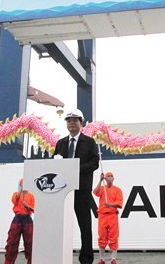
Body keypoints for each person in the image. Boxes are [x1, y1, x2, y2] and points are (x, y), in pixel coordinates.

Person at [53, 108, 99, 264]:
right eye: (69, 120)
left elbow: (94, 163)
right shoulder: (60, 143)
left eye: (75, 120)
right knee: (59, 225)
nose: (71, 123)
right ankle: (58, 256)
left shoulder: (90, 142)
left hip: (82, 190)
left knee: (85, 227)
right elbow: (55, 164)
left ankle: (86, 259)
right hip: (62, 190)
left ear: (81, 123)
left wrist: (75, 168)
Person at [93, 172, 123, 264]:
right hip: (102, 215)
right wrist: (100, 180)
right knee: (102, 237)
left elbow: (119, 203)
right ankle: (102, 259)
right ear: (105, 179)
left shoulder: (117, 190)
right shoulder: (102, 189)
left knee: (114, 237)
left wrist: (110, 204)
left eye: (111, 176)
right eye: (108, 176)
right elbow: (95, 192)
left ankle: (113, 259)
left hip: (112, 215)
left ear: (113, 179)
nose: (110, 178)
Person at [4, 179, 35, 264]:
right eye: (21, 184)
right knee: (12, 242)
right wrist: (20, 191)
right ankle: (9, 261)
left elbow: (34, 208)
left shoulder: (31, 196)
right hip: (17, 218)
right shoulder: (16, 194)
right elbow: (14, 200)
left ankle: (31, 261)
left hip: (27, 219)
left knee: (30, 243)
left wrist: (28, 207)